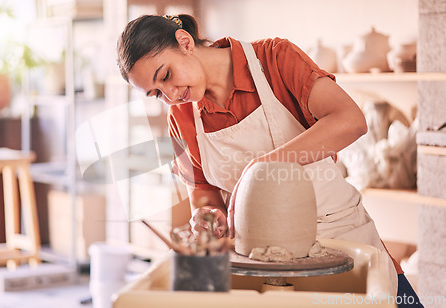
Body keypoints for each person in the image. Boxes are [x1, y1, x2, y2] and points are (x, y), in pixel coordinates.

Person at [117, 14, 422, 307]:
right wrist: (210, 219)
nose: (171, 95)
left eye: (166, 75)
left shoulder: (274, 59)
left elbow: (351, 120)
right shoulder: (181, 117)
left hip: (343, 243)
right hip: (262, 266)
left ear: (184, 42)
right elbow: (205, 198)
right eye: (157, 93)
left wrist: (263, 168)